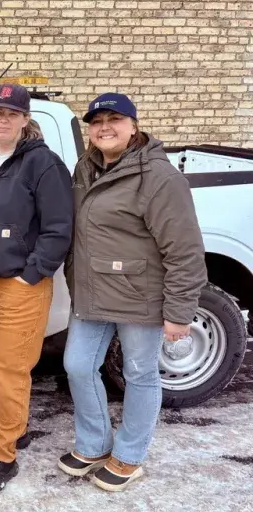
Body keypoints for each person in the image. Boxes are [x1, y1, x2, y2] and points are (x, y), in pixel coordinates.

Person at [58, 93, 206, 491]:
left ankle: (129, 455)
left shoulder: (159, 177)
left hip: (139, 294)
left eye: (114, 119)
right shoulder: (84, 168)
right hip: (92, 292)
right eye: (97, 120)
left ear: (133, 126)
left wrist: (179, 311)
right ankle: (93, 443)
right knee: (77, 365)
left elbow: (184, 249)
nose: (105, 127)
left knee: (139, 374)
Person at [0, 82, 73, 493]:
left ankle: (2, 454)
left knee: (9, 369)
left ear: (26, 120)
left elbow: (60, 228)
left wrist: (33, 272)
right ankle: (14, 426)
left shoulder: (43, 164)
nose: (3, 120)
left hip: (19, 286)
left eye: (12, 114)